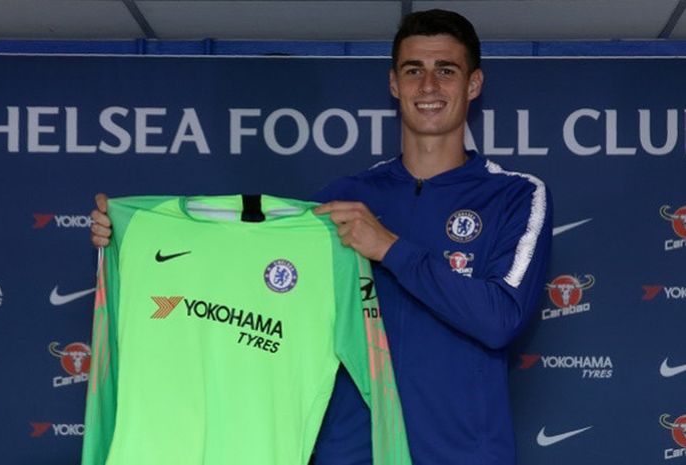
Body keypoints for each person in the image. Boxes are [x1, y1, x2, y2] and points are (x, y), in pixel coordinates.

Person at [91, 9, 552, 465]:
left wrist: (389, 248)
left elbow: (500, 320)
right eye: (414, 71)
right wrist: (132, 242)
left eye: (445, 71)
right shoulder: (341, 200)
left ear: (473, 84)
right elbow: (248, 283)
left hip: (462, 455)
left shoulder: (514, 195)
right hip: (350, 453)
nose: (428, 86)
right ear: (394, 84)